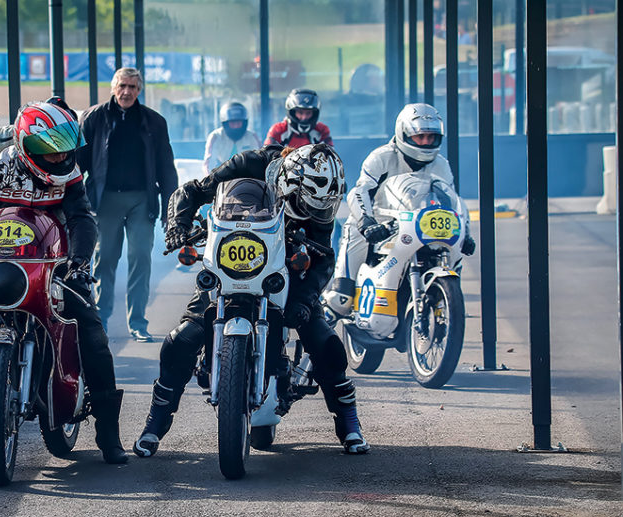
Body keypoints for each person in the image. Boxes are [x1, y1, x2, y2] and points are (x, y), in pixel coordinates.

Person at [133, 142, 371, 458]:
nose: (317, 213)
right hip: (229, 260)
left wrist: (303, 300)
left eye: (323, 206)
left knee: (324, 341)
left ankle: (349, 423)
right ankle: (154, 423)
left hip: (285, 268)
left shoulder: (318, 204)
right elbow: (190, 192)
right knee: (182, 339)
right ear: (289, 185)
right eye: (310, 204)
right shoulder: (249, 163)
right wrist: (177, 226)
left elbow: (325, 257)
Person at [0, 102, 128, 466]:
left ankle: (109, 434)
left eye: (63, 146)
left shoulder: (70, 172)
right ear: (26, 144)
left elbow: (82, 218)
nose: (58, 155)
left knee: (91, 331)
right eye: (49, 147)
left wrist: (78, 262)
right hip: (3, 267)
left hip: (56, 266)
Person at [324, 103, 476, 317]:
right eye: (420, 137)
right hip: (379, 223)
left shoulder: (441, 164)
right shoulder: (381, 157)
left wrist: (466, 233)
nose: (425, 142)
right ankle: (329, 317)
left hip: (420, 225)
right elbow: (360, 192)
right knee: (341, 300)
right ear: (403, 133)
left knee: (453, 251)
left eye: (430, 137)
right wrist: (367, 222)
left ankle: (444, 302)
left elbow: (454, 200)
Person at [77, 67, 179, 342]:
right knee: (105, 260)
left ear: (139, 90)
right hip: (105, 198)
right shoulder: (94, 118)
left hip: (141, 199)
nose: (126, 92)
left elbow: (166, 168)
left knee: (141, 260)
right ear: (113, 87)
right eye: (122, 86)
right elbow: (79, 163)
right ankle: (101, 321)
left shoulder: (154, 122)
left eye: (133, 87)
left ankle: (138, 322)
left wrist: (173, 210)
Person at [0, 96, 77, 195]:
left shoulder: (71, 148)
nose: (60, 152)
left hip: (52, 207)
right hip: (8, 208)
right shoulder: (6, 137)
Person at [203, 101, 261, 173]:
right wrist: (210, 180)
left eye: (239, 122)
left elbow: (259, 160)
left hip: (247, 176)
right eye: (233, 123)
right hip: (221, 174)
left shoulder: (252, 137)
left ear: (244, 123)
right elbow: (209, 162)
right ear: (225, 123)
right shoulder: (215, 137)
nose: (236, 126)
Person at [264, 88, 333, 148]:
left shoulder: (322, 130)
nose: (304, 117)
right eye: (300, 112)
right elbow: (267, 156)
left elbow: (330, 157)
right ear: (292, 112)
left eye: (308, 113)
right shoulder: (278, 130)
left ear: (314, 114)